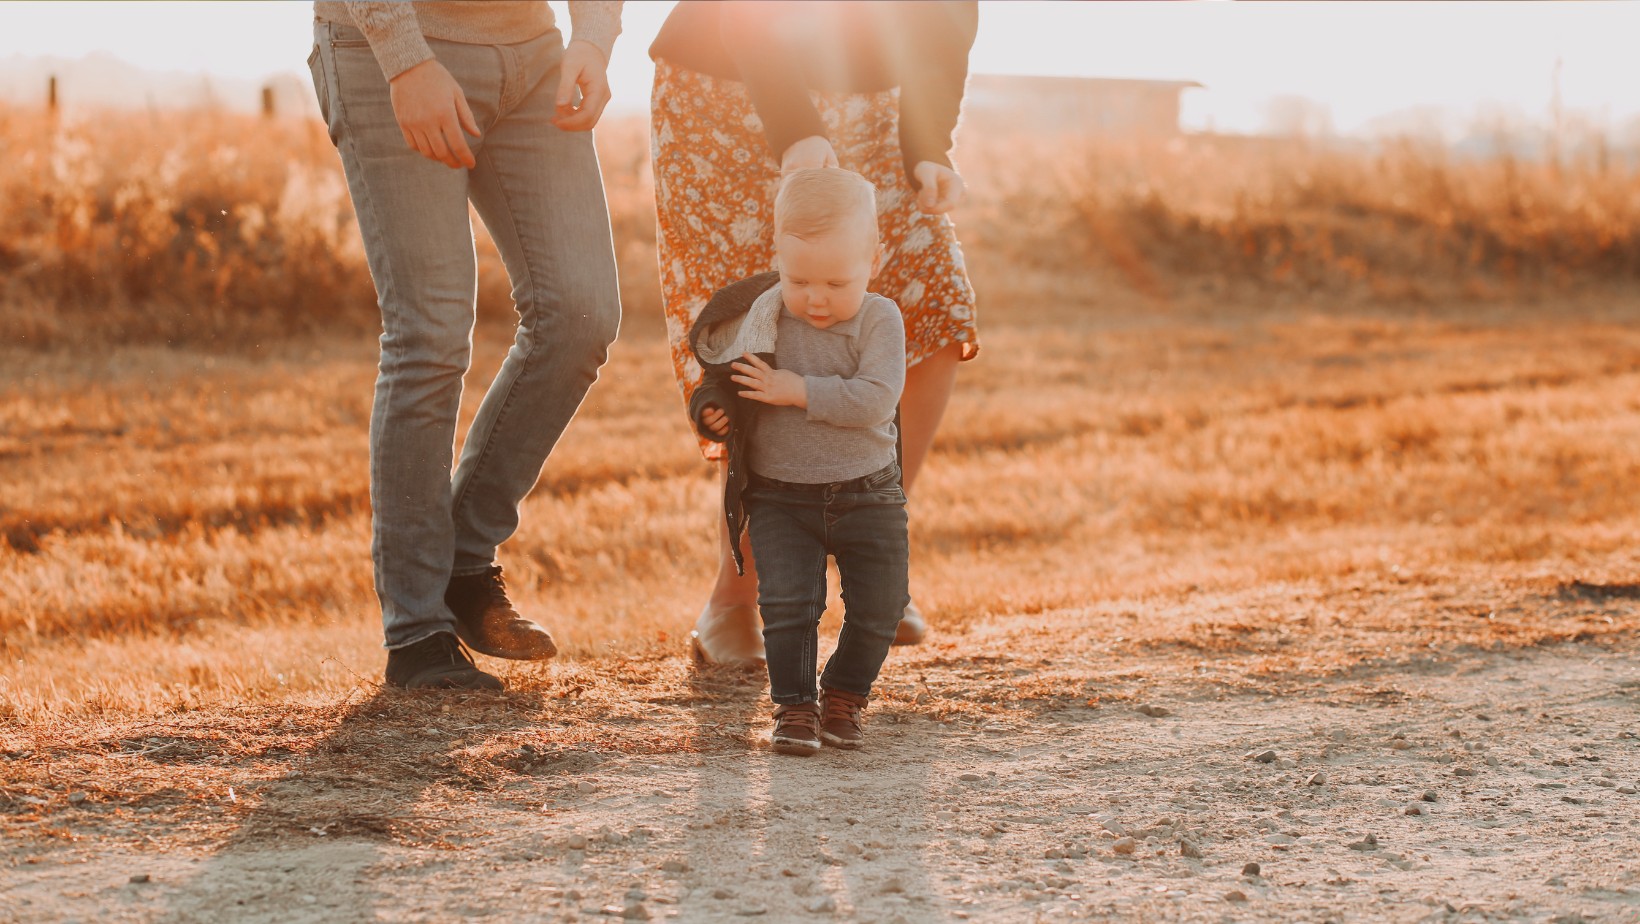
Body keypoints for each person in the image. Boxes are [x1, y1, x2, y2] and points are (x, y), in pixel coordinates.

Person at [650, 1, 979, 667]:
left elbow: (947, 20)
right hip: (728, 89)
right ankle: (736, 598)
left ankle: (871, 551)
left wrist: (928, 145)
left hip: (872, 107)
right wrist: (794, 124)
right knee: (757, 335)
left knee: (934, 304)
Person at [307, 1, 624, 690]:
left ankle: (461, 562)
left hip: (534, 55)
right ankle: (418, 632)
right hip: (388, 45)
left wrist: (595, 38)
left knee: (581, 314)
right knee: (431, 331)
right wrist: (406, 56)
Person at [688, 168, 908, 755]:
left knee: (881, 606)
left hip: (870, 493)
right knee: (787, 606)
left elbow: (877, 400)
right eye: (798, 278)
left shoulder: (880, 319)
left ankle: (844, 696)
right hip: (781, 496)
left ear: (873, 260)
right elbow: (721, 382)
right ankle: (793, 708)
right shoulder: (762, 317)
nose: (815, 297)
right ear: (778, 258)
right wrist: (713, 412)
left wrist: (798, 390)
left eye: (837, 282)